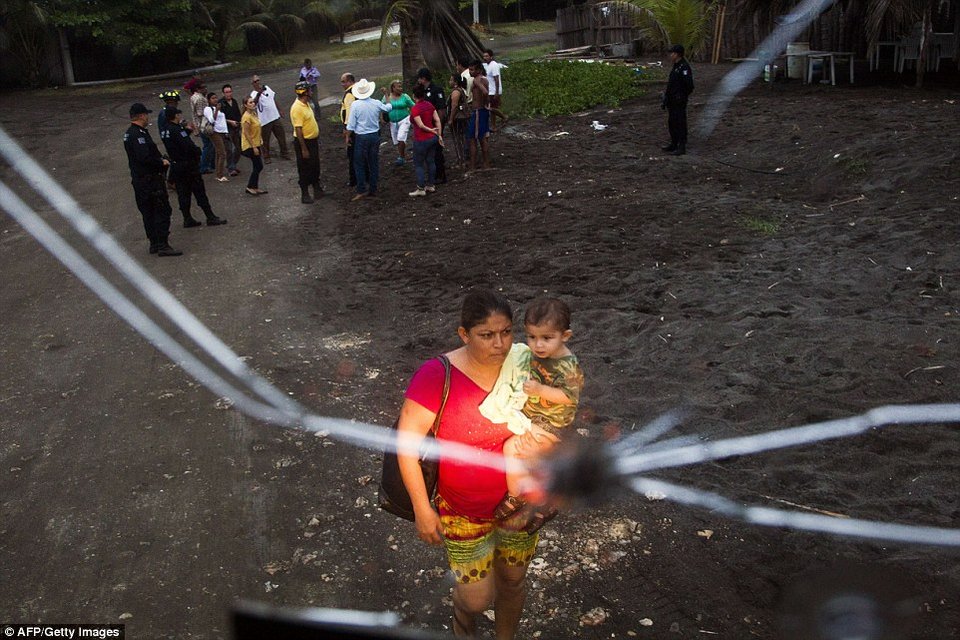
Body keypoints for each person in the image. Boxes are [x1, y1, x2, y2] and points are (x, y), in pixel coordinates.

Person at [398, 289, 542, 639]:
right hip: (462, 511)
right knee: (476, 599)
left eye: (507, 332)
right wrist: (422, 508)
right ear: (464, 334)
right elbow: (405, 444)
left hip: (521, 505)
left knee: (513, 580)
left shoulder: (525, 367)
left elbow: (553, 420)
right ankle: (464, 625)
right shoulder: (437, 376)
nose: (500, 344)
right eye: (487, 335)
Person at [481, 298, 584, 533]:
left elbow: (569, 397)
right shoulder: (539, 354)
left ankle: (536, 501)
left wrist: (540, 390)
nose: (538, 345)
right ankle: (521, 496)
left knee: (524, 454)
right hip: (535, 417)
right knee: (517, 451)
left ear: (565, 336)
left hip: (552, 424)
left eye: (546, 338)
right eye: (532, 337)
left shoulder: (568, 365)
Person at [123, 103, 181, 257]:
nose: (147, 117)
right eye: (146, 115)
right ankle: (162, 244)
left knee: (148, 212)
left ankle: (155, 243)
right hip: (149, 181)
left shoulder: (132, 133)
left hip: (141, 180)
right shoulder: (138, 135)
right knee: (161, 210)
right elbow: (144, 157)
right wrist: (161, 162)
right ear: (141, 116)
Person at [160, 106, 227, 228]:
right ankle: (210, 216)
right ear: (175, 116)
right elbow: (187, 145)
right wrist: (197, 151)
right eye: (178, 114)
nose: (179, 116)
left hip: (177, 165)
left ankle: (187, 218)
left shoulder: (165, 130)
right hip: (188, 165)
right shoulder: (177, 130)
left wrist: (188, 131)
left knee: (183, 193)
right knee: (199, 191)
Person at [345, 78, 392, 201]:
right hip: (374, 135)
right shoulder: (376, 103)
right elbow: (388, 108)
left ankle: (361, 190)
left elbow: (351, 125)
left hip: (361, 136)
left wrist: (347, 136)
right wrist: (386, 95)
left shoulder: (355, 105)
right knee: (373, 162)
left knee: (359, 163)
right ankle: (373, 189)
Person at [408, 84, 443, 197]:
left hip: (421, 139)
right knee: (430, 161)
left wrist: (431, 131)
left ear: (414, 96)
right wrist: (438, 134)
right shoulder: (429, 105)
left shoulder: (415, 109)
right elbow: (437, 120)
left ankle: (421, 188)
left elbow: (421, 125)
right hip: (432, 139)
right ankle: (431, 185)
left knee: (418, 164)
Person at [291, 81, 323, 204]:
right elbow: (298, 129)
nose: (312, 92)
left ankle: (317, 190)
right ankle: (305, 194)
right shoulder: (297, 108)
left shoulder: (306, 104)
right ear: (304, 92)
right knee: (304, 168)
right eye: (309, 90)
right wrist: (304, 148)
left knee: (315, 166)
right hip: (304, 143)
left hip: (312, 141)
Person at [662, 43, 694, 156]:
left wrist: (682, 96)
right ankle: (674, 143)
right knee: (672, 122)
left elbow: (689, 85)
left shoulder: (684, 67)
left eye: (673, 53)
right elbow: (671, 84)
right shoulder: (676, 66)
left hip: (679, 100)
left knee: (680, 122)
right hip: (671, 100)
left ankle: (681, 145)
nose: (671, 55)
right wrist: (666, 97)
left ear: (678, 54)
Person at [416, 68, 447, 183]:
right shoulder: (422, 91)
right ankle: (433, 174)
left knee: (437, 151)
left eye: (420, 78)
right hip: (425, 126)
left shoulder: (436, 90)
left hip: (434, 125)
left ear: (423, 79)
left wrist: (439, 127)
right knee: (428, 152)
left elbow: (441, 110)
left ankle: (441, 175)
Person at [250, 74, 289, 163]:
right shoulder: (253, 94)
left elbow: (273, 99)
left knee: (281, 136)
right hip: (264, 120)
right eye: (255, 81)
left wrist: (280, 109)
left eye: (258, 80)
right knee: (265, 139)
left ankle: (284, 152)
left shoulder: (267, 88)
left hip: (275, 116)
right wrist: (259, 94)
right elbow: (254, 103)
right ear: (252, 84)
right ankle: (266, 156)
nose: (257, 82)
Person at [381, 80, 414, 166]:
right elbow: (382, 107)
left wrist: (414, 118)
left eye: (401, 86)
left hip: (404, 119)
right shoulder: (387, 97)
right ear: (393, 88)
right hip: (392, 122)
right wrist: (382, 118)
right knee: (396, 141)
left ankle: (402, 157)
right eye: (398, 87)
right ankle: (401, 155)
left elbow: (413, 106)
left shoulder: (405, 97)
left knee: (401, 138)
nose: (400, 88)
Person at [240, 96, 268, 196]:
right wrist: (254, 147)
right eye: (250, 102)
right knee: (258, 165)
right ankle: (250, 186)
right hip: (249, 145)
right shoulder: (246, 117)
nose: (253, 104)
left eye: (253, 102)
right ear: (245, 105)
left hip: (256, 143)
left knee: (258, 166)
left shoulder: (254, 114)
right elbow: (246, 133)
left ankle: (254, 187)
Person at [467, 60, 491, 170]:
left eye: (472, 69)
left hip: (478, 111)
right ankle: (485, 163)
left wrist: (484, 103)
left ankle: (473, 165)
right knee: (482, 138)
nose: (470, 71)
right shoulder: (484, 79)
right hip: (481, 111)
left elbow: (485, 92)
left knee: (473, 138)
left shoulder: (478, 80)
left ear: (478, 70)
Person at [187, 79, 214, 174]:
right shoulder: (200, 99)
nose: (205, 89)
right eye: (203, 88)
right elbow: (200, 113)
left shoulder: (193, 97)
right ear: (198, 89)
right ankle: (204, 166)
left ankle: (208, 164)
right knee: (208, 146)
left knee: (208, 145)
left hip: (198, 124)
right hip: (203, 125)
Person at [156, 90, 181, 189]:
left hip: (172, 138)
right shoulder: (165, 113)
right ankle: (171, 181)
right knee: (175, 159)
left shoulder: (167, 111)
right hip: (170, 140)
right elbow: (167, 128)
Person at [203, 92, 230, 181]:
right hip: (215, 132)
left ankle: (218, 171)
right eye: (213, 98)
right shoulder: (208, 109)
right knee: (222, 153)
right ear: (209, 100)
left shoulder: (218, 107)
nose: (215, 99)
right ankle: (219, 175)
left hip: (222, 131)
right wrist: (217, 110)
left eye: (216, 97)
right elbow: (211, 120)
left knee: (219, 153)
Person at [219, 84, 243, 177]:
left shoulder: (234, 101)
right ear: (223, 93)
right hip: (227, 129)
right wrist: (230, 122)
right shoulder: (221, 103)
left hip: (236, 128)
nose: (229, 94)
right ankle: (230, 168)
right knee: (230, 149)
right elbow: (220, 119)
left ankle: (233, 164)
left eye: (230, 92)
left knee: (238, 148)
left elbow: (238, 113)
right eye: (226, 92)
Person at [482, 49, 508, 132]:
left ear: (491, 57)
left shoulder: (494, 65)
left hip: (494, 90)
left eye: (486, 56)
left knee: (491, 108)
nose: (485, 58)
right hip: (490, 90)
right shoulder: (488, 65)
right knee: (492, 109)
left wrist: (497, 92)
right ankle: (493, 126)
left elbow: (496, 79)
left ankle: (504, 117)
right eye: (484, 56)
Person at [446, 74, 469, 168]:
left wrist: (451, 119)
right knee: (462, 139)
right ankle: (463, 159)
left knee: (458, 140)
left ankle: (461, 160)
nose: (449, 82)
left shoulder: (456, 92)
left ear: (455, 82)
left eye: (451, 80)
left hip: (458, 119)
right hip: (462, 118)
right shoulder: (460, 90)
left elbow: (454, 106)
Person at [339, 73, 358, 188]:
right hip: (359, 128)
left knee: (352, 155)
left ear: (350, 81)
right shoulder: (358, 91)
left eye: (343, 82)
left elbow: (349, 113)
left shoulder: (349, 94)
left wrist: (347, 130)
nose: (342, 84)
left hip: (353, 129)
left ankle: (353, 179)